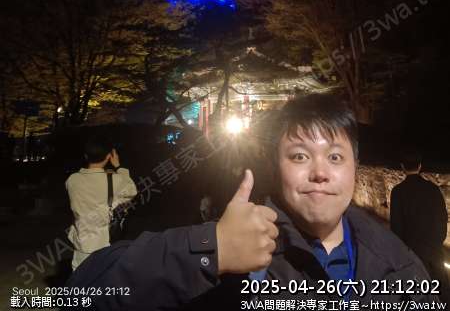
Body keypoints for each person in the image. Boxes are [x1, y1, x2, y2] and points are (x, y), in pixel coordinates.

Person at [64, 94, 443, 309]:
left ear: (355, 169)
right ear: (274, 167)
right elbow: (83, 295)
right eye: (299, 156)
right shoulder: (234, 257)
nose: (320, 172)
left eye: (335, 156)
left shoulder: (398, 265)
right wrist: (210, 250)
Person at [66, 139, 137, 270]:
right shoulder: (115, 180)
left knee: (80, 278)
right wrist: (118, 167)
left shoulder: (72, 180)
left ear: (86, 156)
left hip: (81, 242)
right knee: (102, 277)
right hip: (103, 242)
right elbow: (131, 190)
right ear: (109, 156)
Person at [390, 150, 449, 300]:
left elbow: (396, 227)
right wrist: (437, 241)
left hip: (412, 252)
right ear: (420, 166)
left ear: (402, 167)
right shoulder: (433, 189)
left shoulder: (398, 192)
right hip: (434, 251)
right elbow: (442, 217)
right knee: (441, 292)